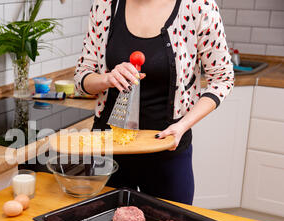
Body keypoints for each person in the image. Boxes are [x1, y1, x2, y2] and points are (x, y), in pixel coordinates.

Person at [74, 0, 234, 205]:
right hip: (108, 148)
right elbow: (82, 77)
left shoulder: (198, 6)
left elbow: (222, 79)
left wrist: (183, 125)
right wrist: (107, 78)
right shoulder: (105, 5)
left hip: (167, 148)